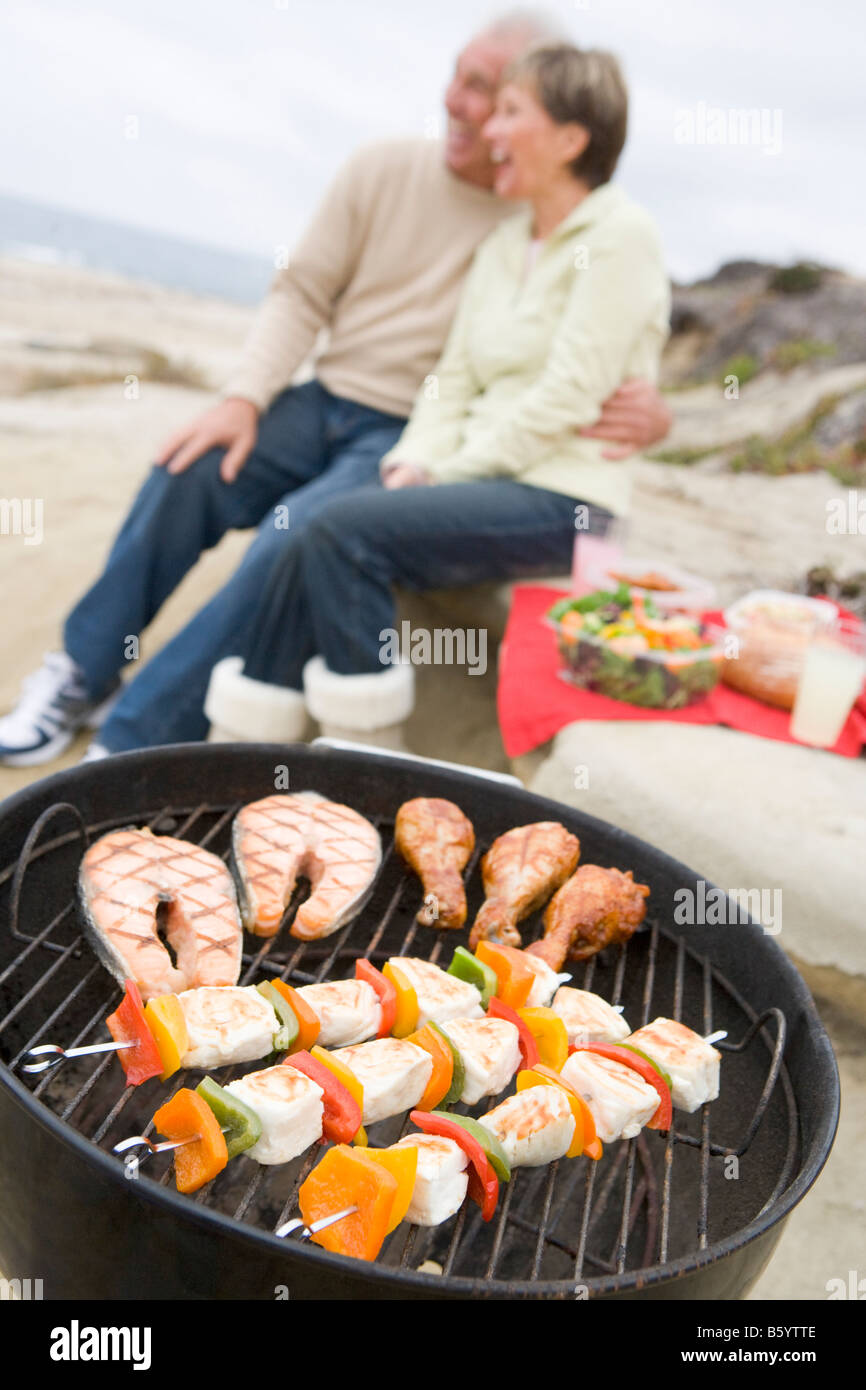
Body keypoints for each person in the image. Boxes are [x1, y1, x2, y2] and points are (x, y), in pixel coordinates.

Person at [0, 10, 671, 766]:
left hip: (409, 430)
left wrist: (656, 412)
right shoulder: (402, 179)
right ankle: (83, 673)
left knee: (297, 534)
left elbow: (594, 353)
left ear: (542, 115)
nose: (457, 102)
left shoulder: (547, 212)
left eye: (492, 94)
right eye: (460, 76)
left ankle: (138, 741)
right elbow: (305, 293)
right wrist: (244, 397)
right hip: (334, 402)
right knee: (186, 469)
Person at [204, 40, 671, 749]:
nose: (491, 131)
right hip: (487, 479)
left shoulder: (621, 237)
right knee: (312, 533)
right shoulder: (506, 242)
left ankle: (368, 770)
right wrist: (413, 461)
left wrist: (444, 473)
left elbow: (569, 396)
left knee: (341, 532)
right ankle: (238, 758)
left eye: (512, 112)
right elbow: (450, 380)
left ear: (573, 138)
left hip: (566, 499)